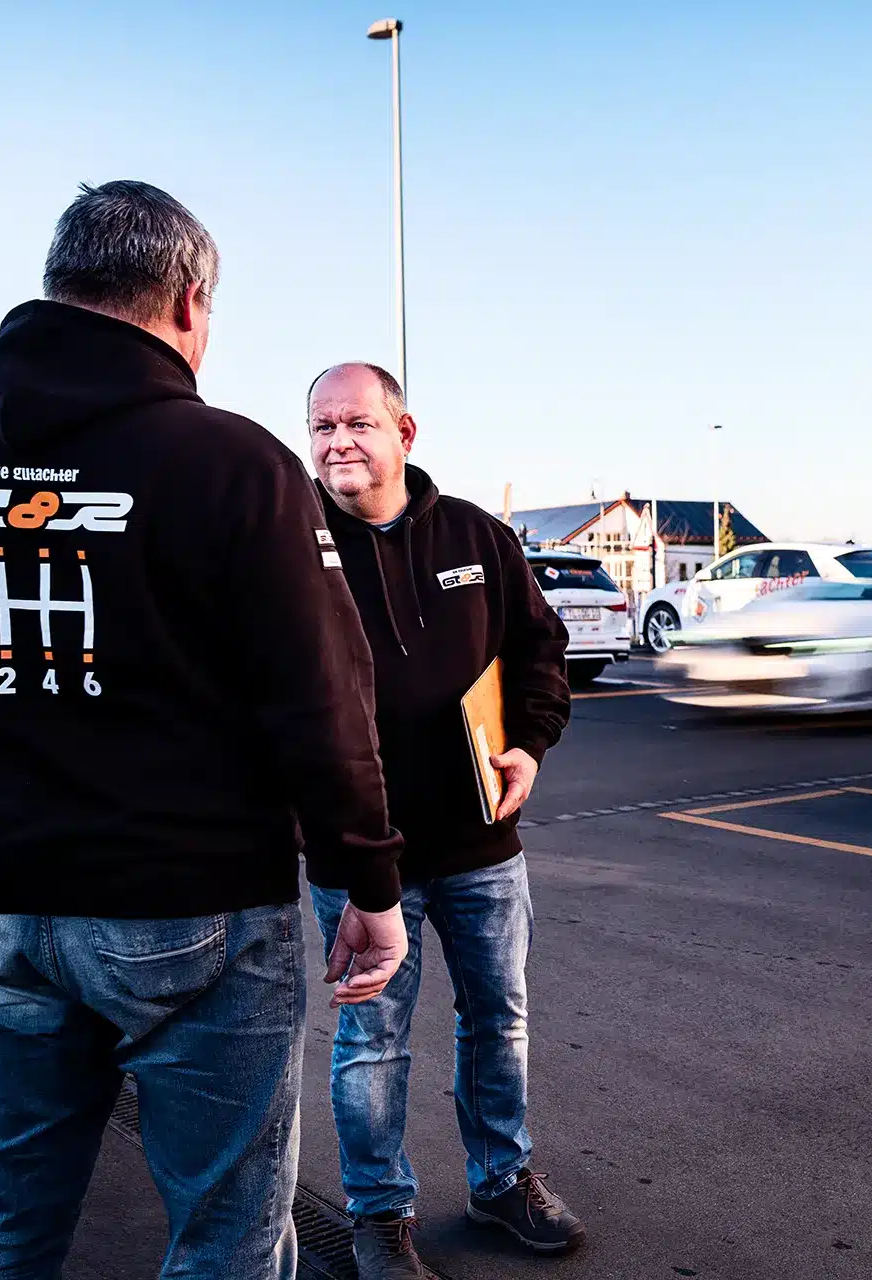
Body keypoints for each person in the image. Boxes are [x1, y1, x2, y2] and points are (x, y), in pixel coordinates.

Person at [0, 181, 410, 1279]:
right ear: (187, 299)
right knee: (226, 1229)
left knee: (7, 1211)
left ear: (60, 287)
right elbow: (321, 698)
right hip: (192, 908)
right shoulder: (232, 462)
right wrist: (370, 881)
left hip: (7, 901)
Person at [303, 362, 579, 1276]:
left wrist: (529, 747)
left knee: (498, 1018)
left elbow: (540, 649)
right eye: (322, 425)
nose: (338, 440)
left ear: (405, 432)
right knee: (371, 1038)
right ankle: (380, 1216)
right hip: (357, 856)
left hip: (481, 849)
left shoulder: (476, 536)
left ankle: (503, 1181)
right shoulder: (289, 542)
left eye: (357, 422)